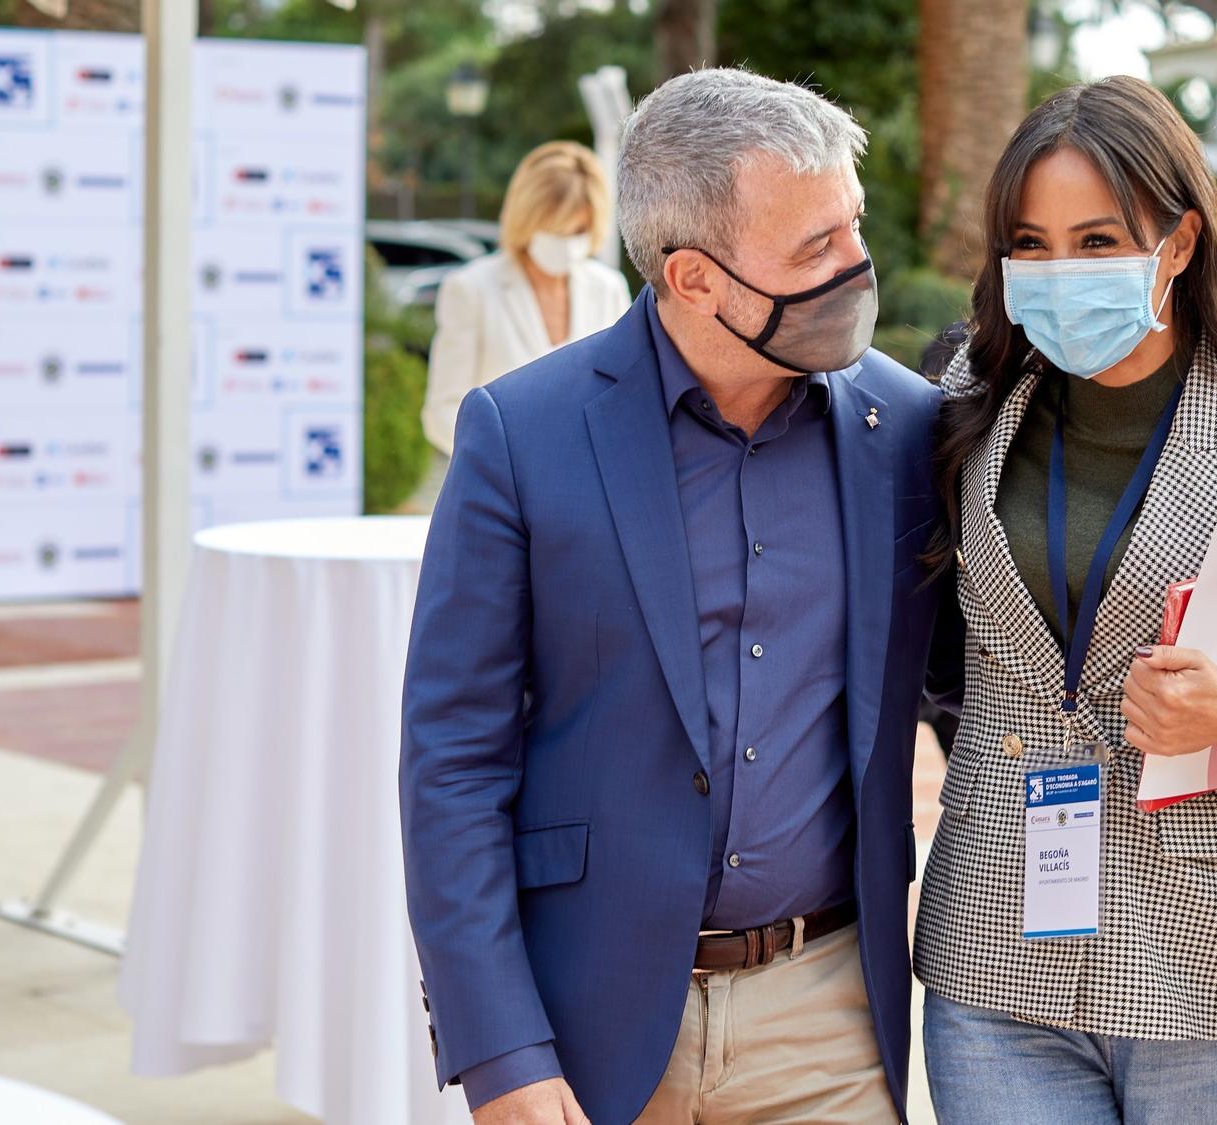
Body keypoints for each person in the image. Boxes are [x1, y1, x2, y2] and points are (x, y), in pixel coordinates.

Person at [400, 69, 944, 1125]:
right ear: (693, 278)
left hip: (826, 1021)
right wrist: (499, 1050)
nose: (856, 268)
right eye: (812, 248)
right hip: (585, 1022)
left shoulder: (909, 431)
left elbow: (982, 688)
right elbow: (452, 763)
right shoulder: (521, 435)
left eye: (852, 227)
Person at [913, 76, 1217, 1125]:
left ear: (1179, 243)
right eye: (1030, 244)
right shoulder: (962, 411)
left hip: (1209, 953)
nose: (1058, 273)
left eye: (1097, 242)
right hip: (992, 940)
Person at [420, 140, 633, 467]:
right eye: (554, 229)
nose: (564, 243)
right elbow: (443, 411)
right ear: (527, 219)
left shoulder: (608, 289)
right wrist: (509, 469)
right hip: (499, 495)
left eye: (576, 229)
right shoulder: (471, 289)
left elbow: (624, 397)